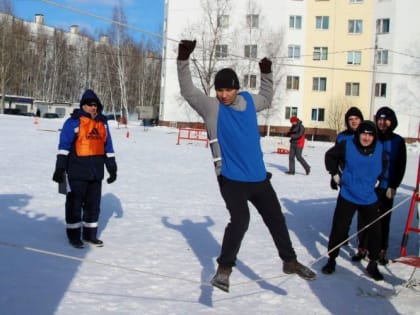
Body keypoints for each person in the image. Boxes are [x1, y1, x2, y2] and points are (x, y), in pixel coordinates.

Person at [177, 39, 316, 292]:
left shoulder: (250, 102)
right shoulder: (212, 108)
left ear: (236, 89)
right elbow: (189, 91)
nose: (223, 94)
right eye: (219, 90)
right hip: (231, 178)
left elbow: (267, 96)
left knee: (276, 218)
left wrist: (266, 73)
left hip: (259, 178)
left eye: (227, 90)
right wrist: (183, 59)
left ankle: (290, 261)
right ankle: (224, 269)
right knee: (240, 220)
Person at [52, 89, 117, 248]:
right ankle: (74, 236)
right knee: (74, 205)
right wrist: (59, 168)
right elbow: (64, 147)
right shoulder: (73, 122)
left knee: (93, 206)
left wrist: (112, 168)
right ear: (83, 105)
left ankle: (90, 235)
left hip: (96, 174)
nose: (93, 107)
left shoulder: (103, 123)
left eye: (95, 105)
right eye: (89, 104)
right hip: (77, 172)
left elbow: (108, 148)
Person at [322, 120, 387, 281]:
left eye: (370, 135)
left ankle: (372, 263)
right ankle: (332, 259)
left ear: (374, 137)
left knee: (375, 231)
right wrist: (334, 173)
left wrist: (381, 180)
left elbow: (384, 166)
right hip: (348, 194)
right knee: (339, 228)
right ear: (358, 134)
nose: (366, 137)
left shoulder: (379, 149)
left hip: (368, 196)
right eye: (364, 134)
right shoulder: (348, 145)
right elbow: (330, 156)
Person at [352, 107, 406, 265]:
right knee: (363, 218)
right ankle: (362, 247)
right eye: (380, 119)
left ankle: (381, 250)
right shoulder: (371, 137)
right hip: (368, 186)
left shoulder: (398, 141)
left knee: (383, 219)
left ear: (392, 121)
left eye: (386, 119)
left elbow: (400, 166)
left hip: (386, 187)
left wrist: (393, 185)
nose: (382, 122)